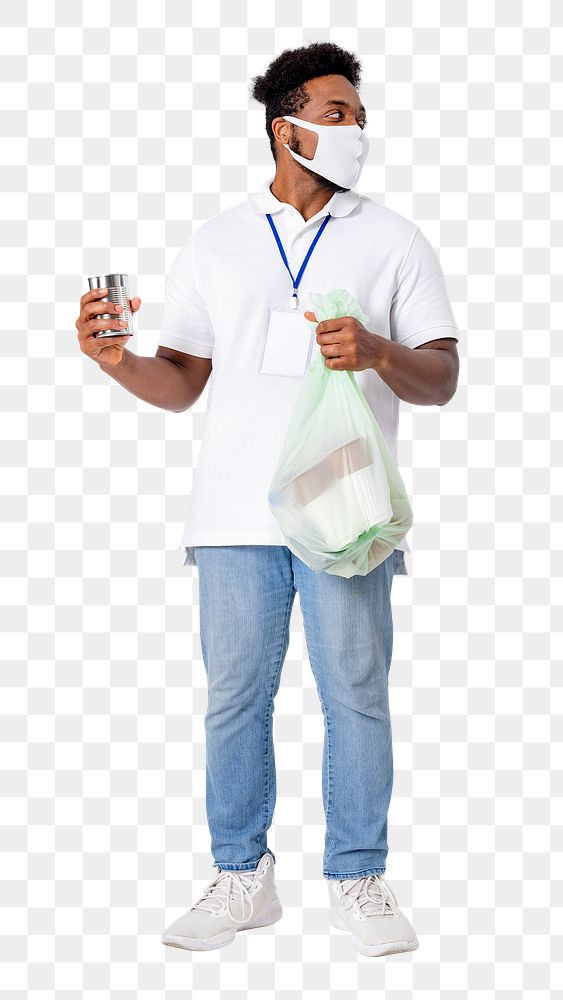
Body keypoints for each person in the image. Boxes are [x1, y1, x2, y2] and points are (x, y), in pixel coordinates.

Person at [75, 41, 459, 958]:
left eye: (359, 117)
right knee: (234, 699)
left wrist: (377, 354)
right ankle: (241, 876)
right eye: (336, 114)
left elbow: (440, 377)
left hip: (345, 506)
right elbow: (181, 382)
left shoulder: (393, 238)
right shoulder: (216, 240)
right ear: (283, 127)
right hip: (232, 511)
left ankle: (358, 877)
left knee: (356, 694)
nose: (355, 130)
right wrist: (118, 361)